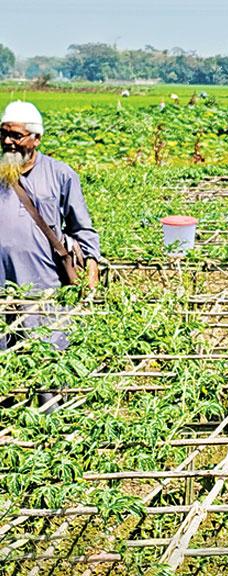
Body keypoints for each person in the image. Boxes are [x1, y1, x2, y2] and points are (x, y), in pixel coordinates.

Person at [1, 100, 101, 408]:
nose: (7, 142)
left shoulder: (60, 174)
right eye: (3, 134)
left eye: (15, 136)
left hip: (41, 286)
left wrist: (93, 268)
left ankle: (52, 428)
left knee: (47, 359)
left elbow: (82, 227)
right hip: (1, 285)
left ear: (35, 138)